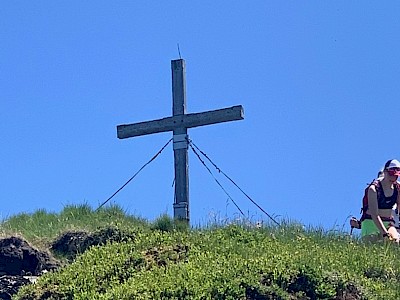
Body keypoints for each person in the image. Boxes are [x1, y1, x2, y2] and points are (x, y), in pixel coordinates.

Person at [361, 159, 400, 242]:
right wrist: (384, 233)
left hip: (388, 222)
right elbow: (374, 214)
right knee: (372, 247)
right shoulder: (373, 189)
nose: (393, 178)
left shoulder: (397, 188)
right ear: (385, 172)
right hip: (371, 222)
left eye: (396, 176)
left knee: (395, 242)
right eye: (391, 174)